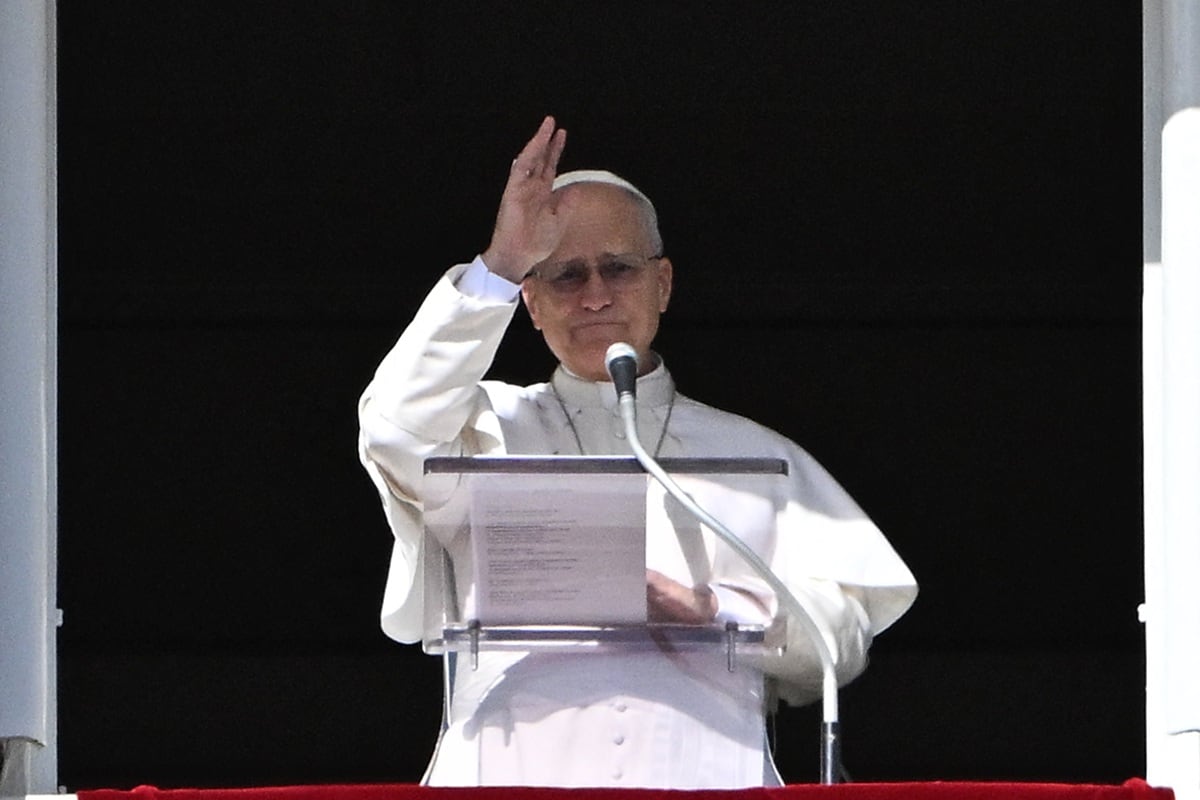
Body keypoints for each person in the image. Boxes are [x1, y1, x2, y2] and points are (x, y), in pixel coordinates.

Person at [357, 116, 918, 788]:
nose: (595, 296)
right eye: (565, 275)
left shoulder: (754, 456)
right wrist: (500, 264)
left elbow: (840, 641)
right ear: (530, 303)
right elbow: (392, 429)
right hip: (507, 770)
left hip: (706, 774)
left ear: (664, 283)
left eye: (619, 268)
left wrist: (710, 609)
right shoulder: (483, 429)